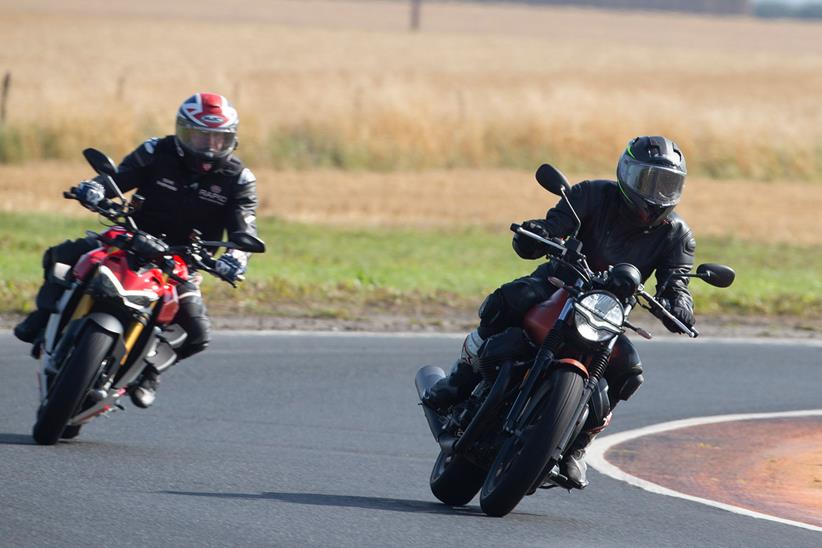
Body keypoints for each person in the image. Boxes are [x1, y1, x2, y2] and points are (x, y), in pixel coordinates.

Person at [423, 135, 696, 488]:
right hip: (559, 283)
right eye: (649, 181)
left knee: (630, 373)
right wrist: (536, 234)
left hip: (606, 313)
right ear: (628, 175)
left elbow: (677, 281)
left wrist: (680, 306)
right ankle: (458, 381)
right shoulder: (591, 195)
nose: (657, 193)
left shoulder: (676, 234)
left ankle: (577, 448)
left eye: (667, 184)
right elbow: (553, 227)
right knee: (507, 302)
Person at [14, 92, 261, 408]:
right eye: (200, 136)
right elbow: (117, 178)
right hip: (129, 234)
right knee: (61, 256)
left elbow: (246, 230)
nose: (209, 146)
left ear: (231, 140)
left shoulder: (239, 179)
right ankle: (43, 316)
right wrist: (95, 189)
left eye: (218, 138)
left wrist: (235, 259)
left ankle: (149, 371)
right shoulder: (157, 149)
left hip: (182, 260)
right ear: (183, 131)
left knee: (197, 332)